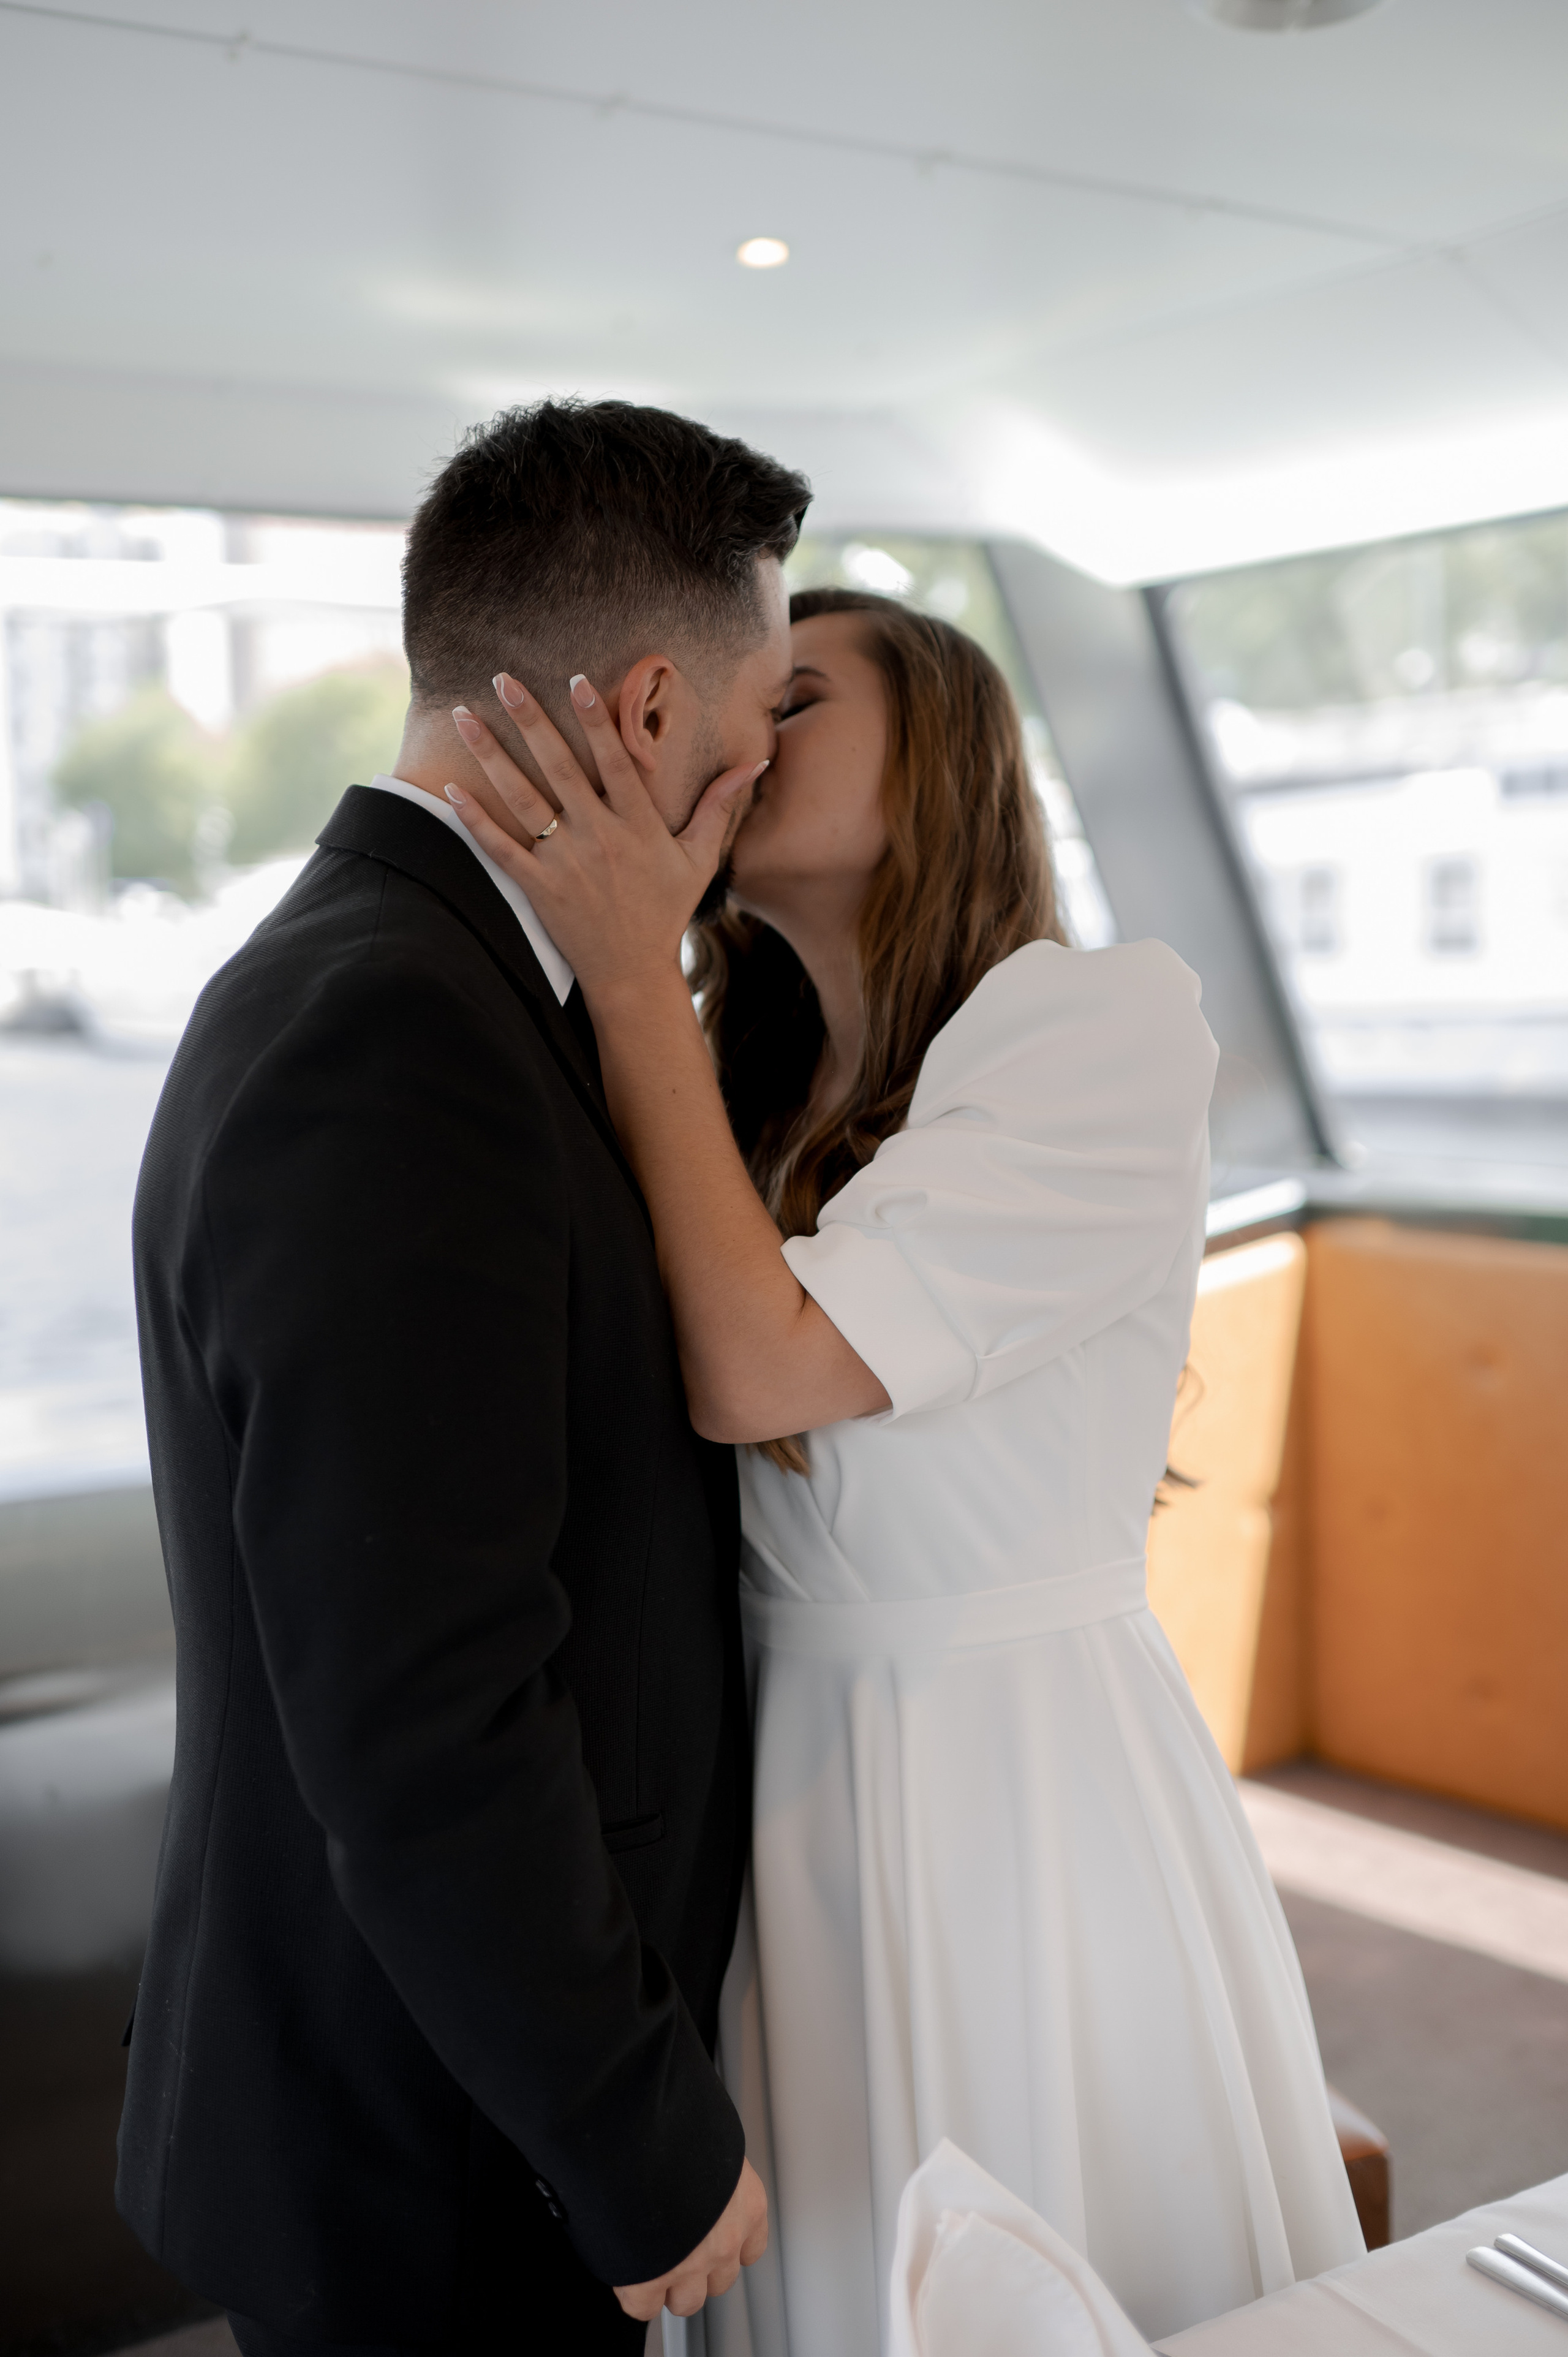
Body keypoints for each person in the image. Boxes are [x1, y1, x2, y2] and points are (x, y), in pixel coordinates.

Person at [441, 585, 1368, 2353]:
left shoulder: (1097, 1027)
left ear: (944, 754)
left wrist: (628, 964)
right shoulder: (747, 1090)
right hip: (782, 1797)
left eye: (792, 700)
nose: (737, 735)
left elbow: (757, 1367)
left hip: (1019, 1787)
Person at [118, 399, 809, 2355]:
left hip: (436, 2079)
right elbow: (426, 1707)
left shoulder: (422, 981)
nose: (758, 784)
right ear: (655, 710)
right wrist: (636, 2133)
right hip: (444, 2127)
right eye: (759, 731)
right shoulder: (396, 1036)